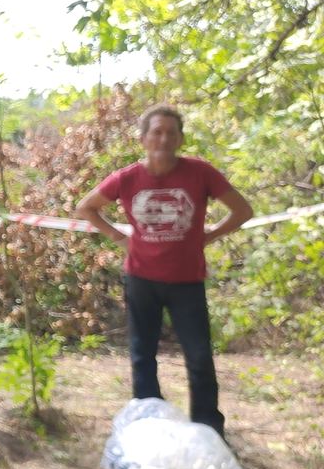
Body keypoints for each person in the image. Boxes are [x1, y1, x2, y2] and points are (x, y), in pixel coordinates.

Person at [76, 105, 253, 438]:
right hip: (141, 279)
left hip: (187, 281)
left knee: (199, 357)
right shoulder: (127, 178)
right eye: (156, 131)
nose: (164, 138)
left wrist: (209, 235)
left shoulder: (200, 173)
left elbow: (243, 210)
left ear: (181, 139)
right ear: (143, 138)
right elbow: (85, 207)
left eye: (171, 132)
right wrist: (117, 236)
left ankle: (208, 430)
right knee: (143, 356)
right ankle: (148, 428)